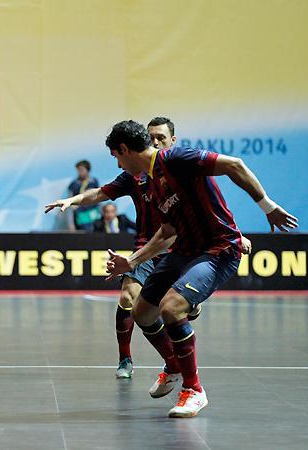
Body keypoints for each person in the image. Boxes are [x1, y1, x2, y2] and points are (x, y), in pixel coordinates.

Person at [104, 120, 297, 417]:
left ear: (124, 149)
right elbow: (168, 232)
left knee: (171, 308)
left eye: (116, 157)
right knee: (142, 312)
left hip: (219, 249)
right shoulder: (152, 183)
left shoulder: (176, 158)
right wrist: (132, 261)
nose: (118, 164)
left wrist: (267, 207)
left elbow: (235, 165)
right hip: (184, 250)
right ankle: (173, 366)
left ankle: (193, 390)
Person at [67, 160, 101, 231]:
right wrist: (71, 224)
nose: (79, 172)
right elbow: (69, 202)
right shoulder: (74, 184)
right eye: (78, 170)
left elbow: (100, 196)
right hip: (81, 215)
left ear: (88, 170)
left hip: (94, 213)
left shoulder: (94, 182)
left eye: (82, 170)